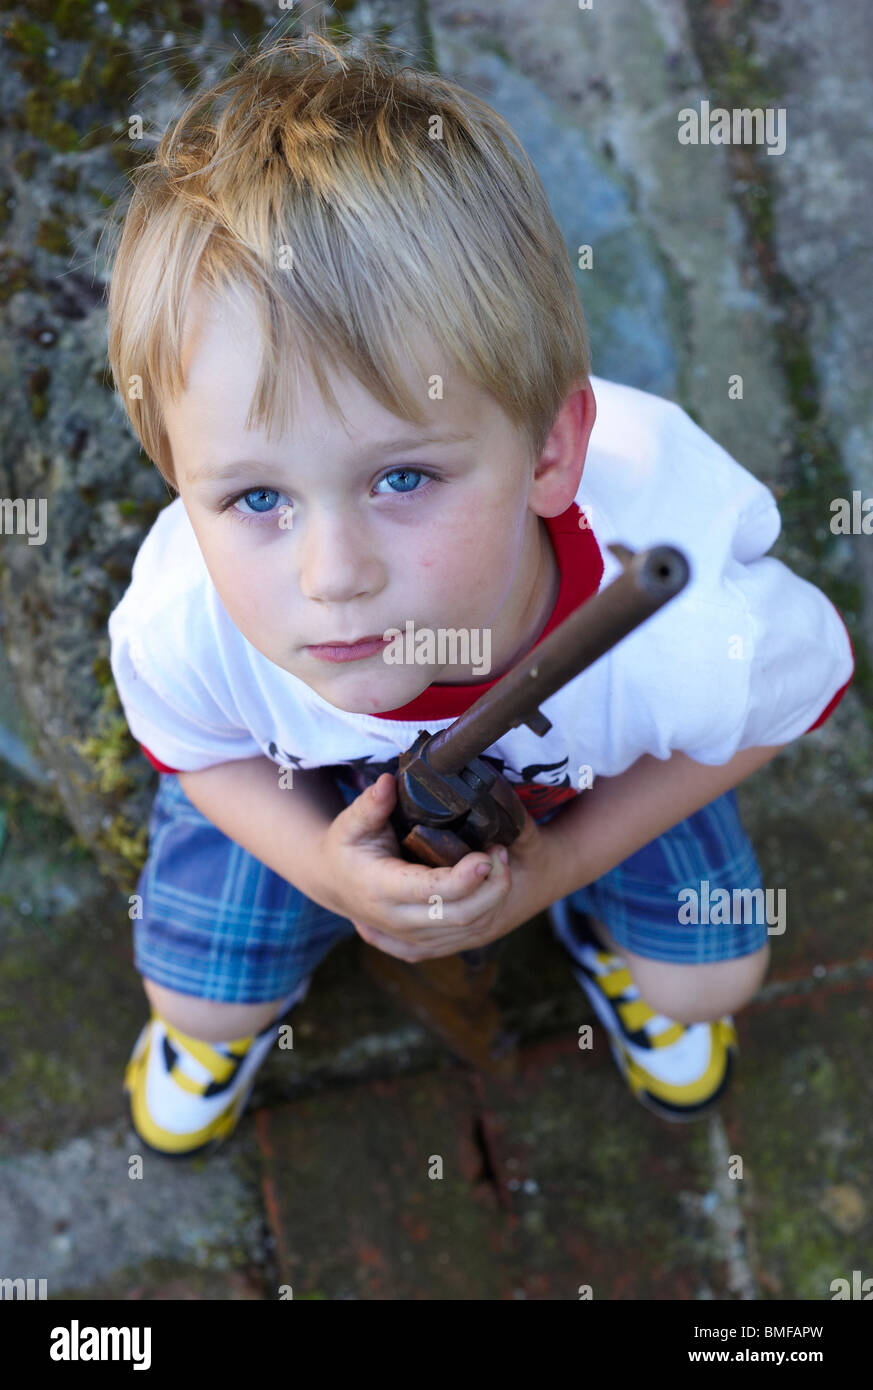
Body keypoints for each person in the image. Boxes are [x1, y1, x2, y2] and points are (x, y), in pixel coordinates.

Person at [105, 30, 854, 1157]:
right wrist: (322, 869)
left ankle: (589, 926)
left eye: (402, 477)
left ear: (551, 449)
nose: (331, 575)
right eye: (257, 498)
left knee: (712, 982)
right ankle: (232, 1019)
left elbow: (778, 710)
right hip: (310, 785)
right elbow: (199, 747)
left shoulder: (687, 633)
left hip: (587, 777)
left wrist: (562, 863)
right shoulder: (191, 621)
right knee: (201, 1002)